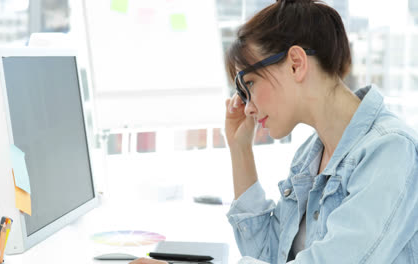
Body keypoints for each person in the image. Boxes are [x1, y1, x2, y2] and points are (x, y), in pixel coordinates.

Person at [131, 0, 418, 263]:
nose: (247, 107)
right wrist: (240, 149)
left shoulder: (391, 151)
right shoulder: (310, 156)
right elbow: (267, 256)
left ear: (296, 64)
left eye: (250, 84)